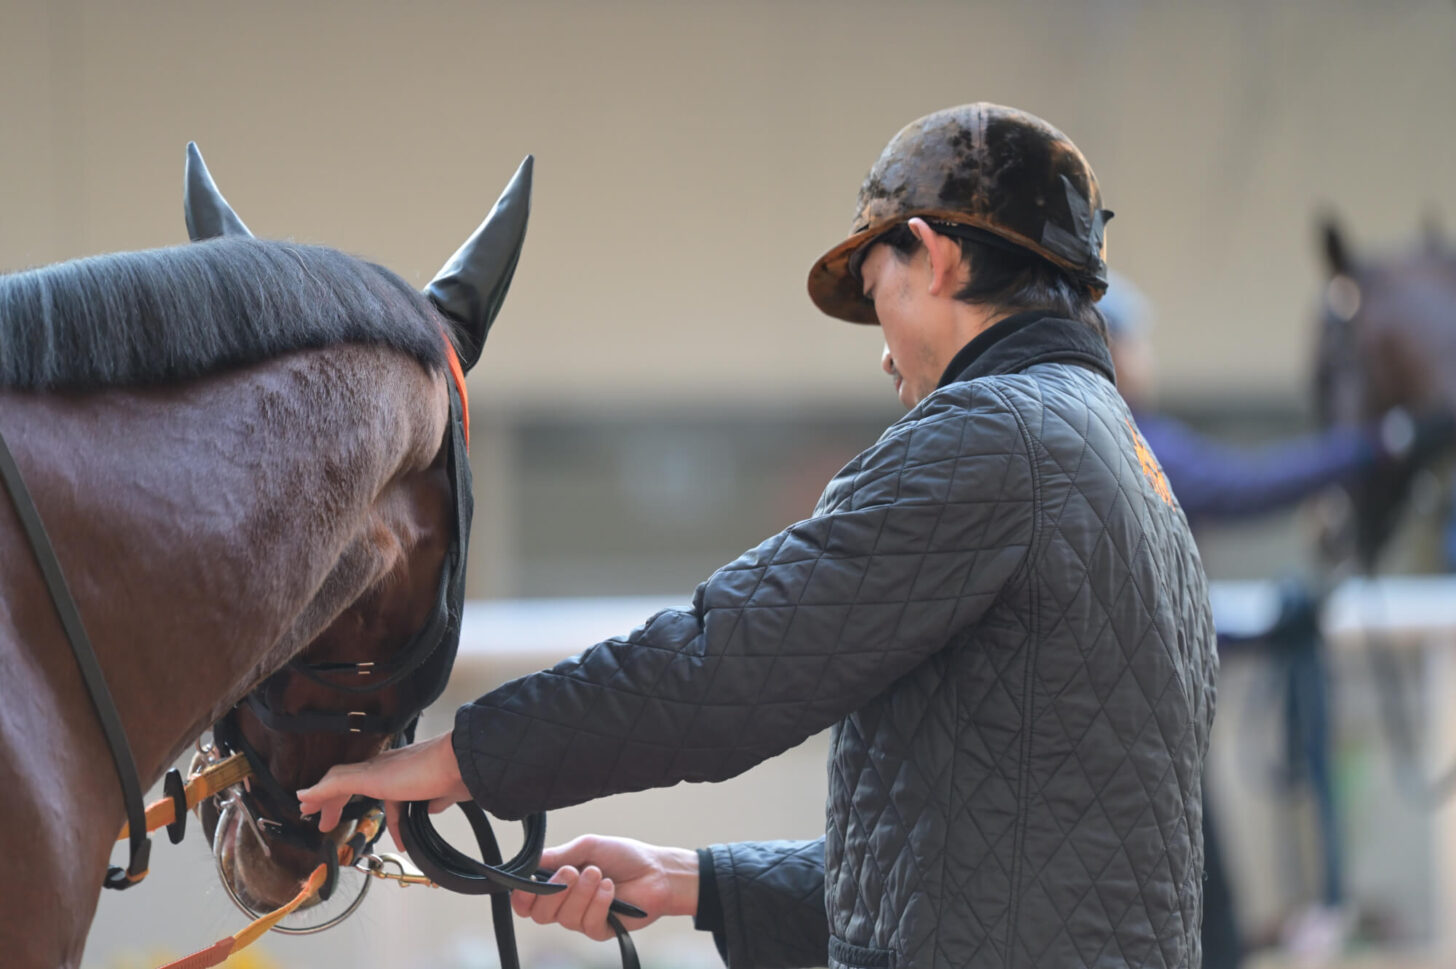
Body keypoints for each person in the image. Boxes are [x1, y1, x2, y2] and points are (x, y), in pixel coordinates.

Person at [299, 103, 1218, 969]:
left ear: (933, 258)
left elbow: (726, 662)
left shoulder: (992, 439)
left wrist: (466, 757)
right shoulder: (1128, 471)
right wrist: (694, 882)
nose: (886, 352)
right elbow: (998, 869)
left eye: (878, 288)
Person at [1101, 271, 1454, 969]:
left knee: (1206, 926)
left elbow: (1147, 618)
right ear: (1107, 344)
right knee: (1205, 929)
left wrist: (1260, 634)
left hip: (1140, 750)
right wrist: (1380, 444)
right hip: (1131, 760)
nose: (1148, 356)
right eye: (1137, 340)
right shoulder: (1123, 441)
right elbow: (1247, 483)